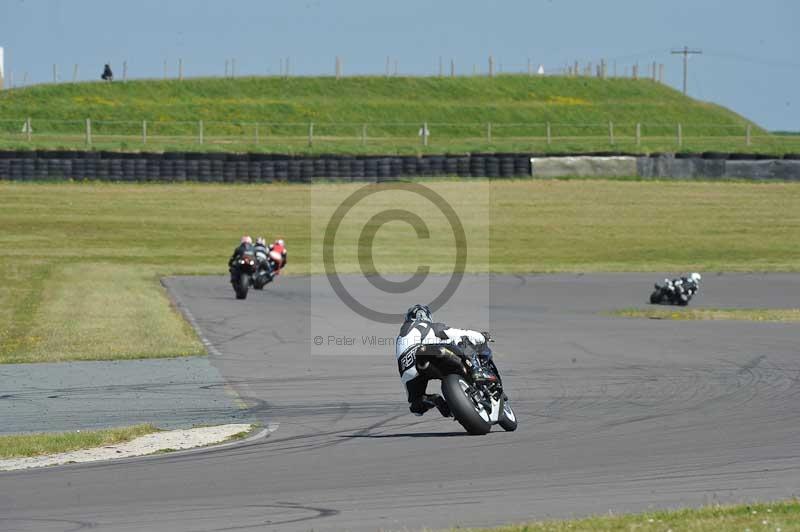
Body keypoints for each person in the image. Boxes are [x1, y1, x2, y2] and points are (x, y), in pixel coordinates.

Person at [394, 304, 490, 417]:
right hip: (427, 353)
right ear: (428, 317)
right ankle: (475, 371)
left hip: (406, 369)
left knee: (416, 406)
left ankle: (435, 400)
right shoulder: (429, 326)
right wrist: (481, 337)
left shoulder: (401, 336)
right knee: (458, 342)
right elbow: (457, 333)